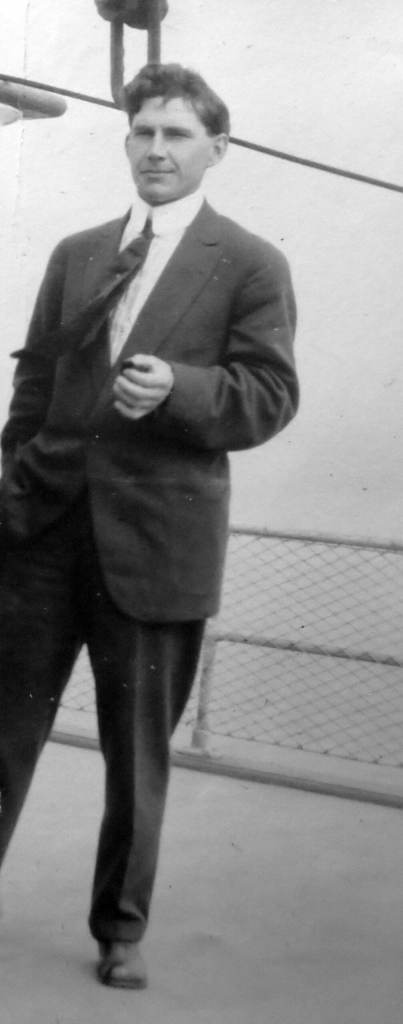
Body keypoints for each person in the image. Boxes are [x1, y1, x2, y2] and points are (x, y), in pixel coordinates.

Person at [0, 63, 298, 989]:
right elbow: (35, 387)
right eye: (143, 133)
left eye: (176, 135)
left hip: (157, 550)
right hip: (42, 534)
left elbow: (271, 396)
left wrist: (183, 389)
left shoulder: (249, 263)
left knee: (136, 760)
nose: (157, 150)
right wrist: (10, 489)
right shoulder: (78, 252)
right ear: (125, 141)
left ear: (217, 148)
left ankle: (119, 932)